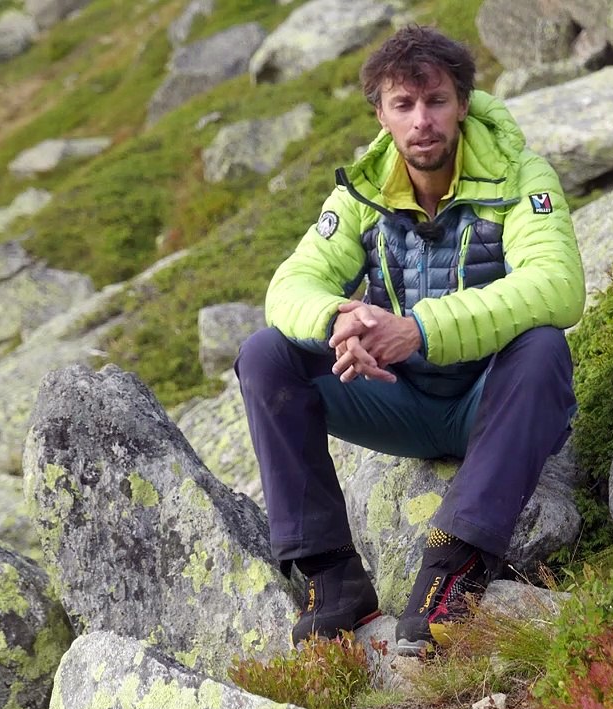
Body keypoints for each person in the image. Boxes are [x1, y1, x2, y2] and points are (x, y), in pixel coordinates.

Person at [235, 24, 585, 656]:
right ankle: (331, 577)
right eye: (404, 105)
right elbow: (291, 284)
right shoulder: (362, 192)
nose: (422, 121)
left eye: (437, 101)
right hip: (398, 402)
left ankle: (453, 570)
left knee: (542, 348)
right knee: (265, 355)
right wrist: (336, 318)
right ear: (382, 114)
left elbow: (558, 287)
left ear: (463, 103)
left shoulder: (520, 177)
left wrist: (419, 329)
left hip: (494, 402)